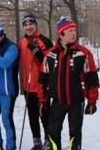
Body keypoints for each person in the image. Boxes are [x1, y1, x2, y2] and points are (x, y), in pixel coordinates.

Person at [38, 17, 99, 150]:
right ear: (62, 33)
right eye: (70, 30)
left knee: (75, 134)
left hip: (76, 102)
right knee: (53, 132)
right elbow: (42, 80)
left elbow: (92, 79)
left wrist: (92, 101)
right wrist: (42, 101)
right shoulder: (50, 54)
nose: (73, 33)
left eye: (75, 30)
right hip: (57, 101)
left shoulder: (84, 53)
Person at [18, 15, 53, 150]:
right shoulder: (22, 43)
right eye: (25, 25)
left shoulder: (44, 41)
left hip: (41, 86)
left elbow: (50, 63)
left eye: (30, 24)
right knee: (32, 116)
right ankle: (36, 141)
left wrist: (38, 54)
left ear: (36, 25)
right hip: (27, 87)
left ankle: (48, 141)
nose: (28, 27)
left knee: (44, 115)